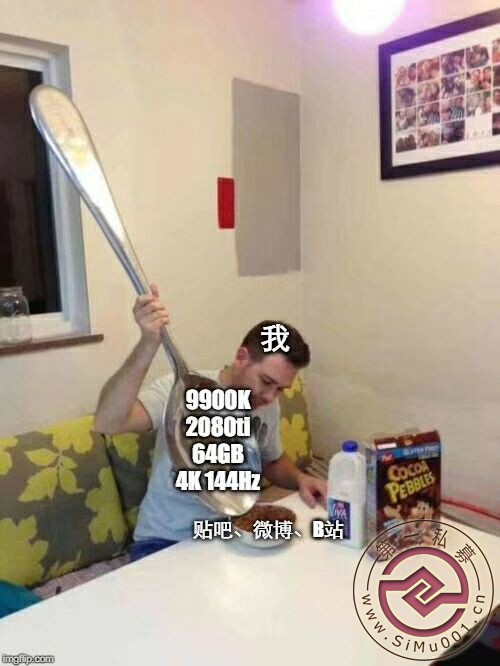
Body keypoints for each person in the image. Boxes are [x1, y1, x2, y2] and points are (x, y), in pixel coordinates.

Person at [94, 286, 328, 561]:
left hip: (231, 534)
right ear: (241, 357)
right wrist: (147, 344)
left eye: (280, 389)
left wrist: (302, 479)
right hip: (165, 541)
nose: (270, 397)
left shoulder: (266, 404)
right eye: (266, 381)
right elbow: (108, 422)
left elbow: (271, 461)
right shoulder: (182, 391)